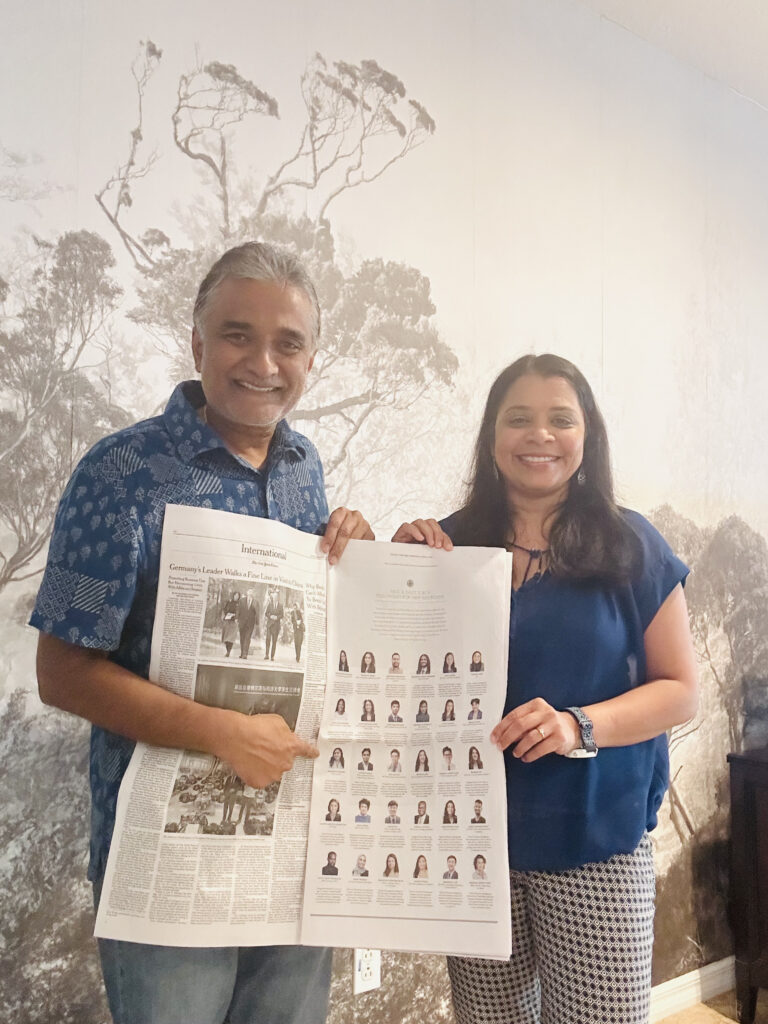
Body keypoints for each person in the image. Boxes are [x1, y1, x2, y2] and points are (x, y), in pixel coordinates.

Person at [32, 241, 375, 1024]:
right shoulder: (119, 473)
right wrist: (222, 733)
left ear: (311, 360)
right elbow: (62, 672)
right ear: (196, 343)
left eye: (288, 342)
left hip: (289, 845)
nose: (262, 361)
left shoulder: (302, 465)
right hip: (165, 856)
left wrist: (355, 546)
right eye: (236, 335)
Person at [392, 353, 698, 1024]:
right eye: (518, 418)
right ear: (492, 435)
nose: (539, 435)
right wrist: (394, 572)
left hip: (593, 846)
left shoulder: (630, 544)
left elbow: (681, 690)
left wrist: (576, 725)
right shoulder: (451, 545)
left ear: (587, 435)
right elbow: (405, 684)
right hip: (473, 849)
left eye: (560, 419)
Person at [237, 589, 259, 658]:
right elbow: (238, 610)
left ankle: (245, 654)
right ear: (247, 593)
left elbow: (257, 612)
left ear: (253, 593)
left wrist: (257, 622)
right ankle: (242, 653)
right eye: (249, 591)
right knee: (242, 638)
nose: (250, 593)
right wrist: (236, 618)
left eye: (251, 592)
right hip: (242, 622)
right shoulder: (241, 600)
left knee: (247, 638)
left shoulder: (256, 602)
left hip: (250, 623)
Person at [264, 586, 284, 661]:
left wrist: (277, 617)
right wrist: (270, 616)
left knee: (274, 641)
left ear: (278, 598)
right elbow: (266, 613)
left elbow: (282, 615)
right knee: (268, 640)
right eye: (274, 597)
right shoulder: (270, 604)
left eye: (276, 597)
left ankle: (272, 656)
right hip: (269, 625)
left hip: (276, 626)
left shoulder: (280, 605)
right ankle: (266, 655)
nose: (275, 598)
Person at [221, 590, 240, 657]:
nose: (236, 597)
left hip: (234, 622)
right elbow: (225, 609)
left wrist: (235, 617)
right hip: (227, 621)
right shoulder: (229, 602)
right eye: (235, 595)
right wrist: (226, 615)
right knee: (226, 638)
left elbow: (239, 613)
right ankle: (227, 650)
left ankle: (228, 652)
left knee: (231, 638)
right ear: (233, 595)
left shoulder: (239, 604)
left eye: (238, 596)